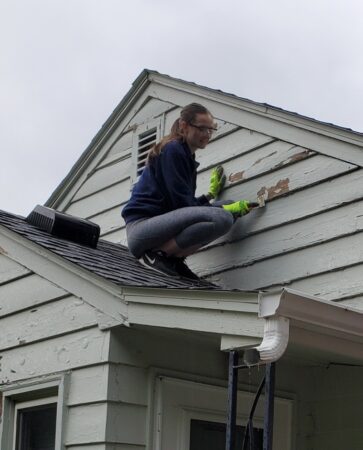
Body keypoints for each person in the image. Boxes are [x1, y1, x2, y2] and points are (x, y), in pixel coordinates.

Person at [122, 103, 256, 280]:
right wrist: (222, 210)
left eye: (211, 130)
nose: (207, 135)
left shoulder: (186, 154)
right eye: (202, 129)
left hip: (161, 225)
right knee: (222, 216)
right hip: (142, 228)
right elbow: (182, 206)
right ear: (184, 126)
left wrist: (210, 195)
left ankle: (174, 259)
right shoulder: (173, 149)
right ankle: (157, 256)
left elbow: (184, 205)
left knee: (228, 206)